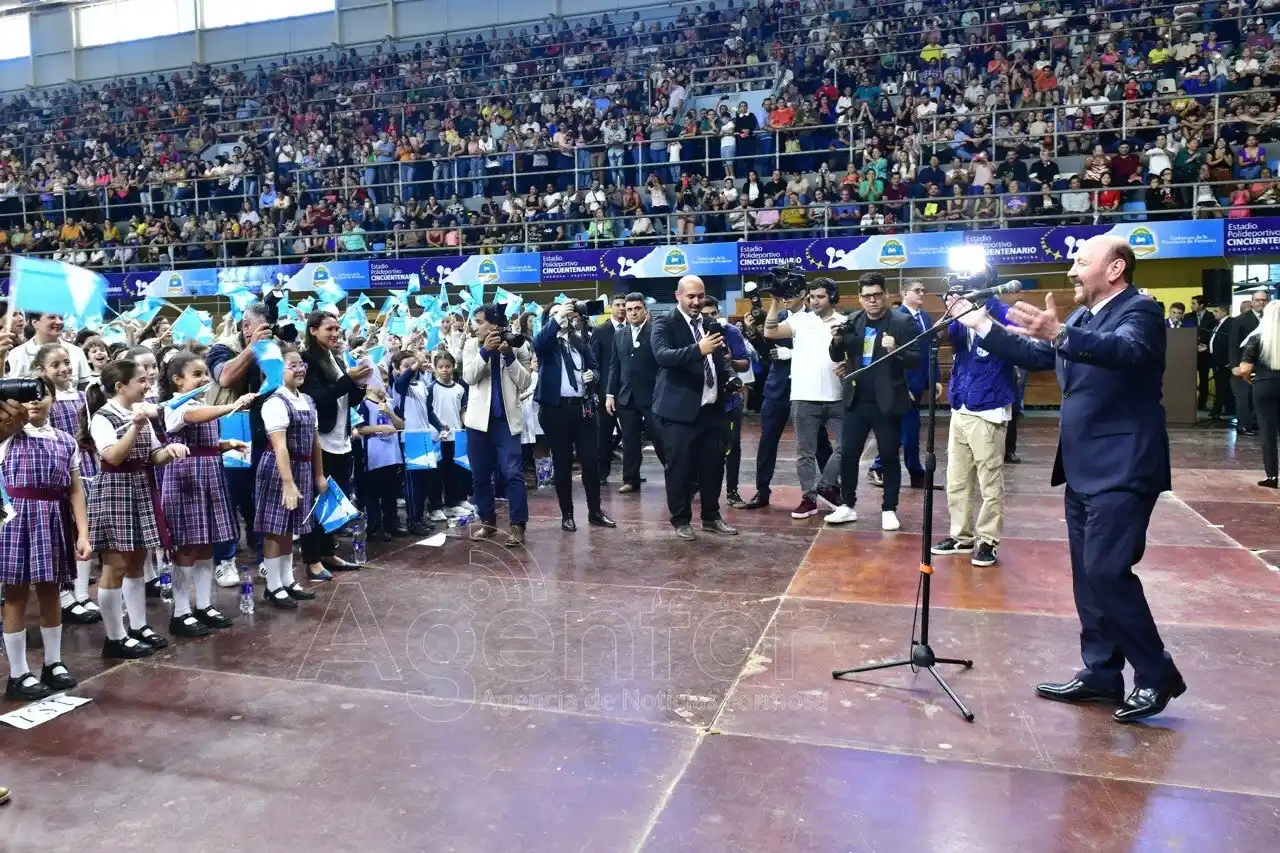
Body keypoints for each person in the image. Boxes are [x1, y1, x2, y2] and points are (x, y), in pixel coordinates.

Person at [950, 235, 1185, 723]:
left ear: (1115, 268)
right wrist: (981, 325)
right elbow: (1038, 354)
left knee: (1107, 571)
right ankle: (1101, 673)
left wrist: (1059, 332)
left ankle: (1156, 673)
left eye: (1082, 262)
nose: (1072, 271)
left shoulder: (1140, 310)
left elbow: (1124, 351)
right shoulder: (1082, 317)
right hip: (1082, 467)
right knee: (1086, 575)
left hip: (1123, 465)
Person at [82, 359, 190, 658]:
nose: (147, 385)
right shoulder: (103, 417)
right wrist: (136, 425)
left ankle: (139, 626)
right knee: (115, 566)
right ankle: (114, 637)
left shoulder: (139, 412)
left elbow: (153, 456)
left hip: (141, 487)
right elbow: (113, 457)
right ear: (121, 386)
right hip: (116, 491)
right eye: (141, 381)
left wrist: (169, 451)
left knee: (137, 563)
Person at [1, 376, 91, 701]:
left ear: (54, 399)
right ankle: (18, 673)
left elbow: (75, 490)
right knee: (16, 595)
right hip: (15, 520)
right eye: (27, 396)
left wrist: (83, 533)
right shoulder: (7, 437)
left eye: (43, 394)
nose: (35, 401)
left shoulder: (66, 441)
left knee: (51, 592)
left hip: (52, 519)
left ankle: (53, 663)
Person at [159, 353, 256, 634]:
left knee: (206, 545)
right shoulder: (174, 406)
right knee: (185, 548)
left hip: (209, 476)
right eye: (197, 374)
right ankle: (181, 612)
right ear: (178, 380)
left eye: (205, 374)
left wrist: (225, 444)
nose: (204, 379)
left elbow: (203, 438)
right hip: (187, 479)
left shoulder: (201, 404)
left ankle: (203, 605)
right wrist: (232, 405)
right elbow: (191, 417)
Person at [931, 283, 1019, 567]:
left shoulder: (1003, 312)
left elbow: (1018, 345)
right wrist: (951, 310)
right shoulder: (959, 316)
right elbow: (937, 336)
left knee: (989, 482)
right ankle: (962, 536)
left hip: (989, 406)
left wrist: (984, 318)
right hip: (961, 405)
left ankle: (988, 540)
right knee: (956, 479)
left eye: (968, 290)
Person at [825, 273, 921, 531]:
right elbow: (836, 354)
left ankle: (889, 508)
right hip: (856, 399)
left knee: (888, 455)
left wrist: (895, 349)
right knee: (848, 454)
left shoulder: (902, 321)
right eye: (867, 296)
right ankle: (847, 505)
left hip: (886, 401)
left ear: (886, 295)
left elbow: (916, 358)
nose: (872, 300)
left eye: (877, 295)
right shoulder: (853, 320)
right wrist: (836, 341)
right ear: (860, 298)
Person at [651, 275, 740, 541]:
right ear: (678, 296)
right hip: (679, 412)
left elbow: (718, 362)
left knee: (714, 467)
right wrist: (698, 349)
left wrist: (729, 378)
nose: (696, 301)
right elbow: (663, 356)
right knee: (679, 469)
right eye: (691, 296)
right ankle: (680, 520)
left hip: (712, 409)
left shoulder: (711, 324)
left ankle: (711, 517)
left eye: (700, 296)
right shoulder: (664, 323)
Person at [762, 278, 847, 517]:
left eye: (820, 296)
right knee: (805, 453)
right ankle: (808, 499)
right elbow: (770, 332)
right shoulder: (800, 320)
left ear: (832, 297)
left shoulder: (844, 322)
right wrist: (775, 302)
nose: (815, 301)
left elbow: (852, 354)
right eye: (812, 296)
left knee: (848, 445)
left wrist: (847, 364)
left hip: (837, 396)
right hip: (803, 397)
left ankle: (826, 485)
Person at [205, 301, 274, 587]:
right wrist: (252, 349)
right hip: (229, 431)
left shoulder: (272, 347)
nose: (267, 333)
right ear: (246, 326)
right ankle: (225, 561)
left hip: (262, 431)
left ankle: (265, 557)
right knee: (227, 498)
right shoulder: (221, 348)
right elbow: (225, 377)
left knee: (261, 498)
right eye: (263, 328)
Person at [32, 342, 101, 624]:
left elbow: (89, 433)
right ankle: (64, 594)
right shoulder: (42, 400)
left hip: (84, 465)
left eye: (66, 362)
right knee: (62, 532)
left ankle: (81, 594)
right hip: (57, 469)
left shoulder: (82, 395)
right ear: (41, 370)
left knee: (83, 530)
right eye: (55, 365)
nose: (64, 368)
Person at [533, 301, 616, 531]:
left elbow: (595, 367)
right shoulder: (546, 343)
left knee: (590, 461)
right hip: (555, 410)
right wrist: (557, 314)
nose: (563, 317)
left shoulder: (579, 341)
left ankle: (595, 512)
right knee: (562, 463)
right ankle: (567, 514)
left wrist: (593, 376)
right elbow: (539, 342)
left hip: (583, 409)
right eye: (556, 314)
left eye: (565, 314)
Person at [255, 346, 328, 605]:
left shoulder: (307, 400)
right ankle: (273, 586)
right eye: (293, 365)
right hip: (279, 470)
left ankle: (287, 580)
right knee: (275, 529)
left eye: (302, 365)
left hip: (303, 469)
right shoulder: (275, 402)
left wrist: (319, 475)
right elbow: (280, 446)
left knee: (290, 528)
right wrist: (288, 482)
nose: (300, 370)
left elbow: (315, 441)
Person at [299, 311, 371, 575]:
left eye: (337, 329)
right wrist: (348, 379)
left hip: (342, 439)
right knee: (316, 502)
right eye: (329, 329)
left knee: (334, 501)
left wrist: (360, 384)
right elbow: (317, 399)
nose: (335, 333)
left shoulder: (337, 358)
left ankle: (328, 553)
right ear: (313, 330)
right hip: (321, 441)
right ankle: (312, 560)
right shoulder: (307, 360)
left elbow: (349, 400)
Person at [461, 303, 534, 546]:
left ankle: (517, 525)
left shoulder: (517, 345)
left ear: (494, 325)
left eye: (480, 322)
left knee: (513, 473)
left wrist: (509, 356)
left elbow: (525, 382)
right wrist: (484, 352)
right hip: (478, 423)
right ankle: (488, 522)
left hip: (506, 422)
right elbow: (469, 377)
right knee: (480, 474)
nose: (475, 326)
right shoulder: (471, 345)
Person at [868, 278, 941, 490]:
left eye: (923, 290)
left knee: (910, 432)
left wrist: (934, 378)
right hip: (902, 385)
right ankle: (881, 467)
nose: (922, 293)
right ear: (904, 293)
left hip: (919, 383)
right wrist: (902, 386)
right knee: (906, 432)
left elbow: (930, 350)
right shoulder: (895, 319)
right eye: (917, 290)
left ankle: (912, 473)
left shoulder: (925, 317)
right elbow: (892, 357)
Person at [606, 292, 665, 494]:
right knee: (629, 441)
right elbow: (614, 366)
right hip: (626, 396)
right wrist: (610, 394)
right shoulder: (619, 334)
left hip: (653, 396)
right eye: (629, 309)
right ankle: (631, 479)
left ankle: (675, 475)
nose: (632, 312)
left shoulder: (656, 331)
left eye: (637, 308)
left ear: (645, 310)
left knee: (660, 438)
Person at [1240, 301, 1280, 488]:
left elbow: (1244, 368)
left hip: (1264, 386)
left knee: (1267, 432)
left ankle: (1272, 477)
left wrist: (1251, 379)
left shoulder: (1256, 338)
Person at [591, 294, 628, 485]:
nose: (622, 308)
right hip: (606, 392)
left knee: (630, 435)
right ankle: (601, 473)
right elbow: (594, 362)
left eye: (624, 305)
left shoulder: (633, 329)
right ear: (611, 307)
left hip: (629, 391)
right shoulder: (600, 331)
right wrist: (596, 391)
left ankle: (631, 475)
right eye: (618, 305)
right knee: (604, 434)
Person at [6, 313, 93, 387]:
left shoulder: (76, 351)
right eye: (51, 317)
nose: (59, 322)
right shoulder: (17, 354)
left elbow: (84, 387)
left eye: (61, 318)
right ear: (35, 323)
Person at [1230, 291, 1271, 435]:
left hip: (1266, 366)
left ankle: (1256, 423)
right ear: (1252, 301)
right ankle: (1243, 425)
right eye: (1258, 300)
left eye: (1264, 300)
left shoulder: (1272, 318)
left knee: (1260, 395)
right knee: (1244, 396)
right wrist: (1234, 365)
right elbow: (1233, 344)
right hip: (1244, 364)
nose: (1261, 303)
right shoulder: (1241, 319)